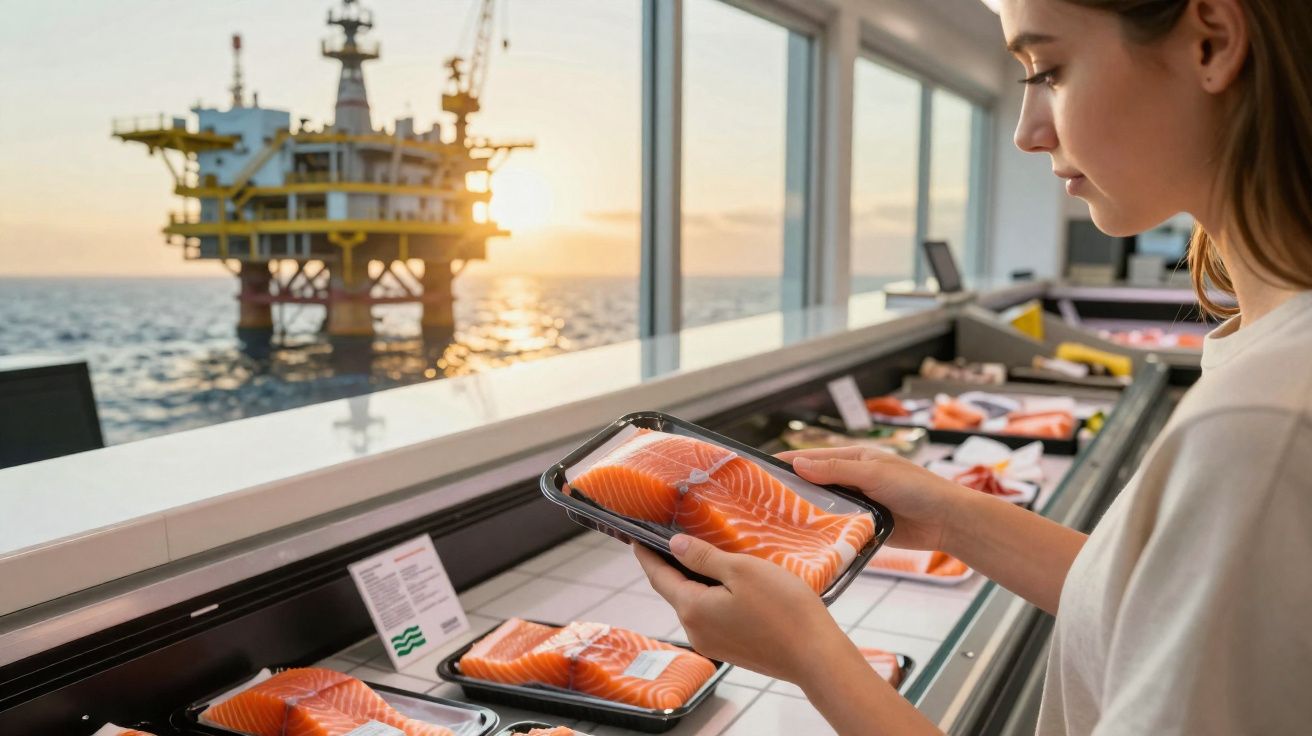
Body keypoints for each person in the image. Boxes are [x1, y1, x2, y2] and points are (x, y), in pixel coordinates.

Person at [634, 0, 1312, 733]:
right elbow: (1156, 603)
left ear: (1211, 43)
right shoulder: (1267, 364)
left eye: (1049, 71)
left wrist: (809, 656)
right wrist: (955, 518)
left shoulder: (1264, 426)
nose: (1026, 133)